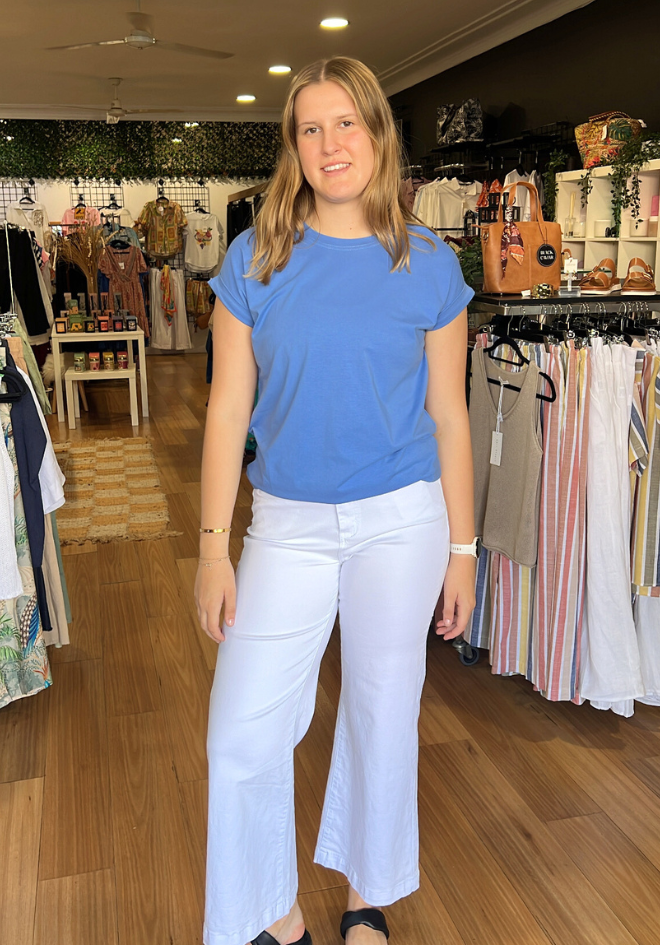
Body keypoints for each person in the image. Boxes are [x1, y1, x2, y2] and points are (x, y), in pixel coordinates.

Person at [195, 56, 477, 945]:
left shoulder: (430, 264)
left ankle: (366, 898)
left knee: (383, 711)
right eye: (311, 128)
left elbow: (449, 414)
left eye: (347, 123)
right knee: (240, 732)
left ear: (377, 135)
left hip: (404, 521)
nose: (331, 144)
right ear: (294, 147)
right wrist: (211, 548)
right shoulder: (255, 259)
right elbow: (227, 407)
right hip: (286, 525)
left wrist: (463, 550)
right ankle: (273, 917)